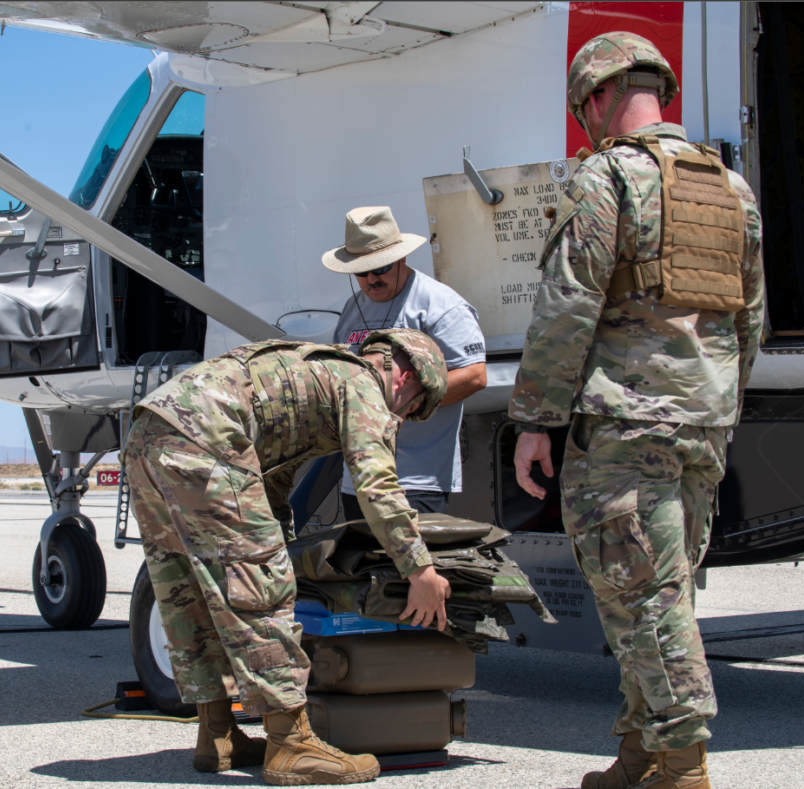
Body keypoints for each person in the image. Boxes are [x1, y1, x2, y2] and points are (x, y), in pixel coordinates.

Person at [509, 32, 764, 789]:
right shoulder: (731, 187)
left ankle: (683, 764)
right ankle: (641, 752)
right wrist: (716, 404)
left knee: (642, 596)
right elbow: (751, 321)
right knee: (656, 587)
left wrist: (535, 419)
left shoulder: (607, 179)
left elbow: (567, 306)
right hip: (702, 425)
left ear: (596, 98)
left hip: (625, 425)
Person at [122, 328, 451, 786]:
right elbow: (377, 485)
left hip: (150, 431)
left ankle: (217, 733)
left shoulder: (316, 371)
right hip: (207, 436)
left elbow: (273, 472)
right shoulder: (364, 383)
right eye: (415, 407)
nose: (407, 415)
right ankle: (291, 744)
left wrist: (280, 539)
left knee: (188, 589)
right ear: (407, 378)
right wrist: (421, 569)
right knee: (261, 587)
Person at [323, 206, 487, 520]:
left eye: (380, 268)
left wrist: (405, 402)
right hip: (357, 477)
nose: (371, 279)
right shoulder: (352, 308)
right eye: (361, 271)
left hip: (415, 479)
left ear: (401, 258)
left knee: (413, 568)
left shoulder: (439, 304)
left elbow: (475, 376)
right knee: (363, 567)